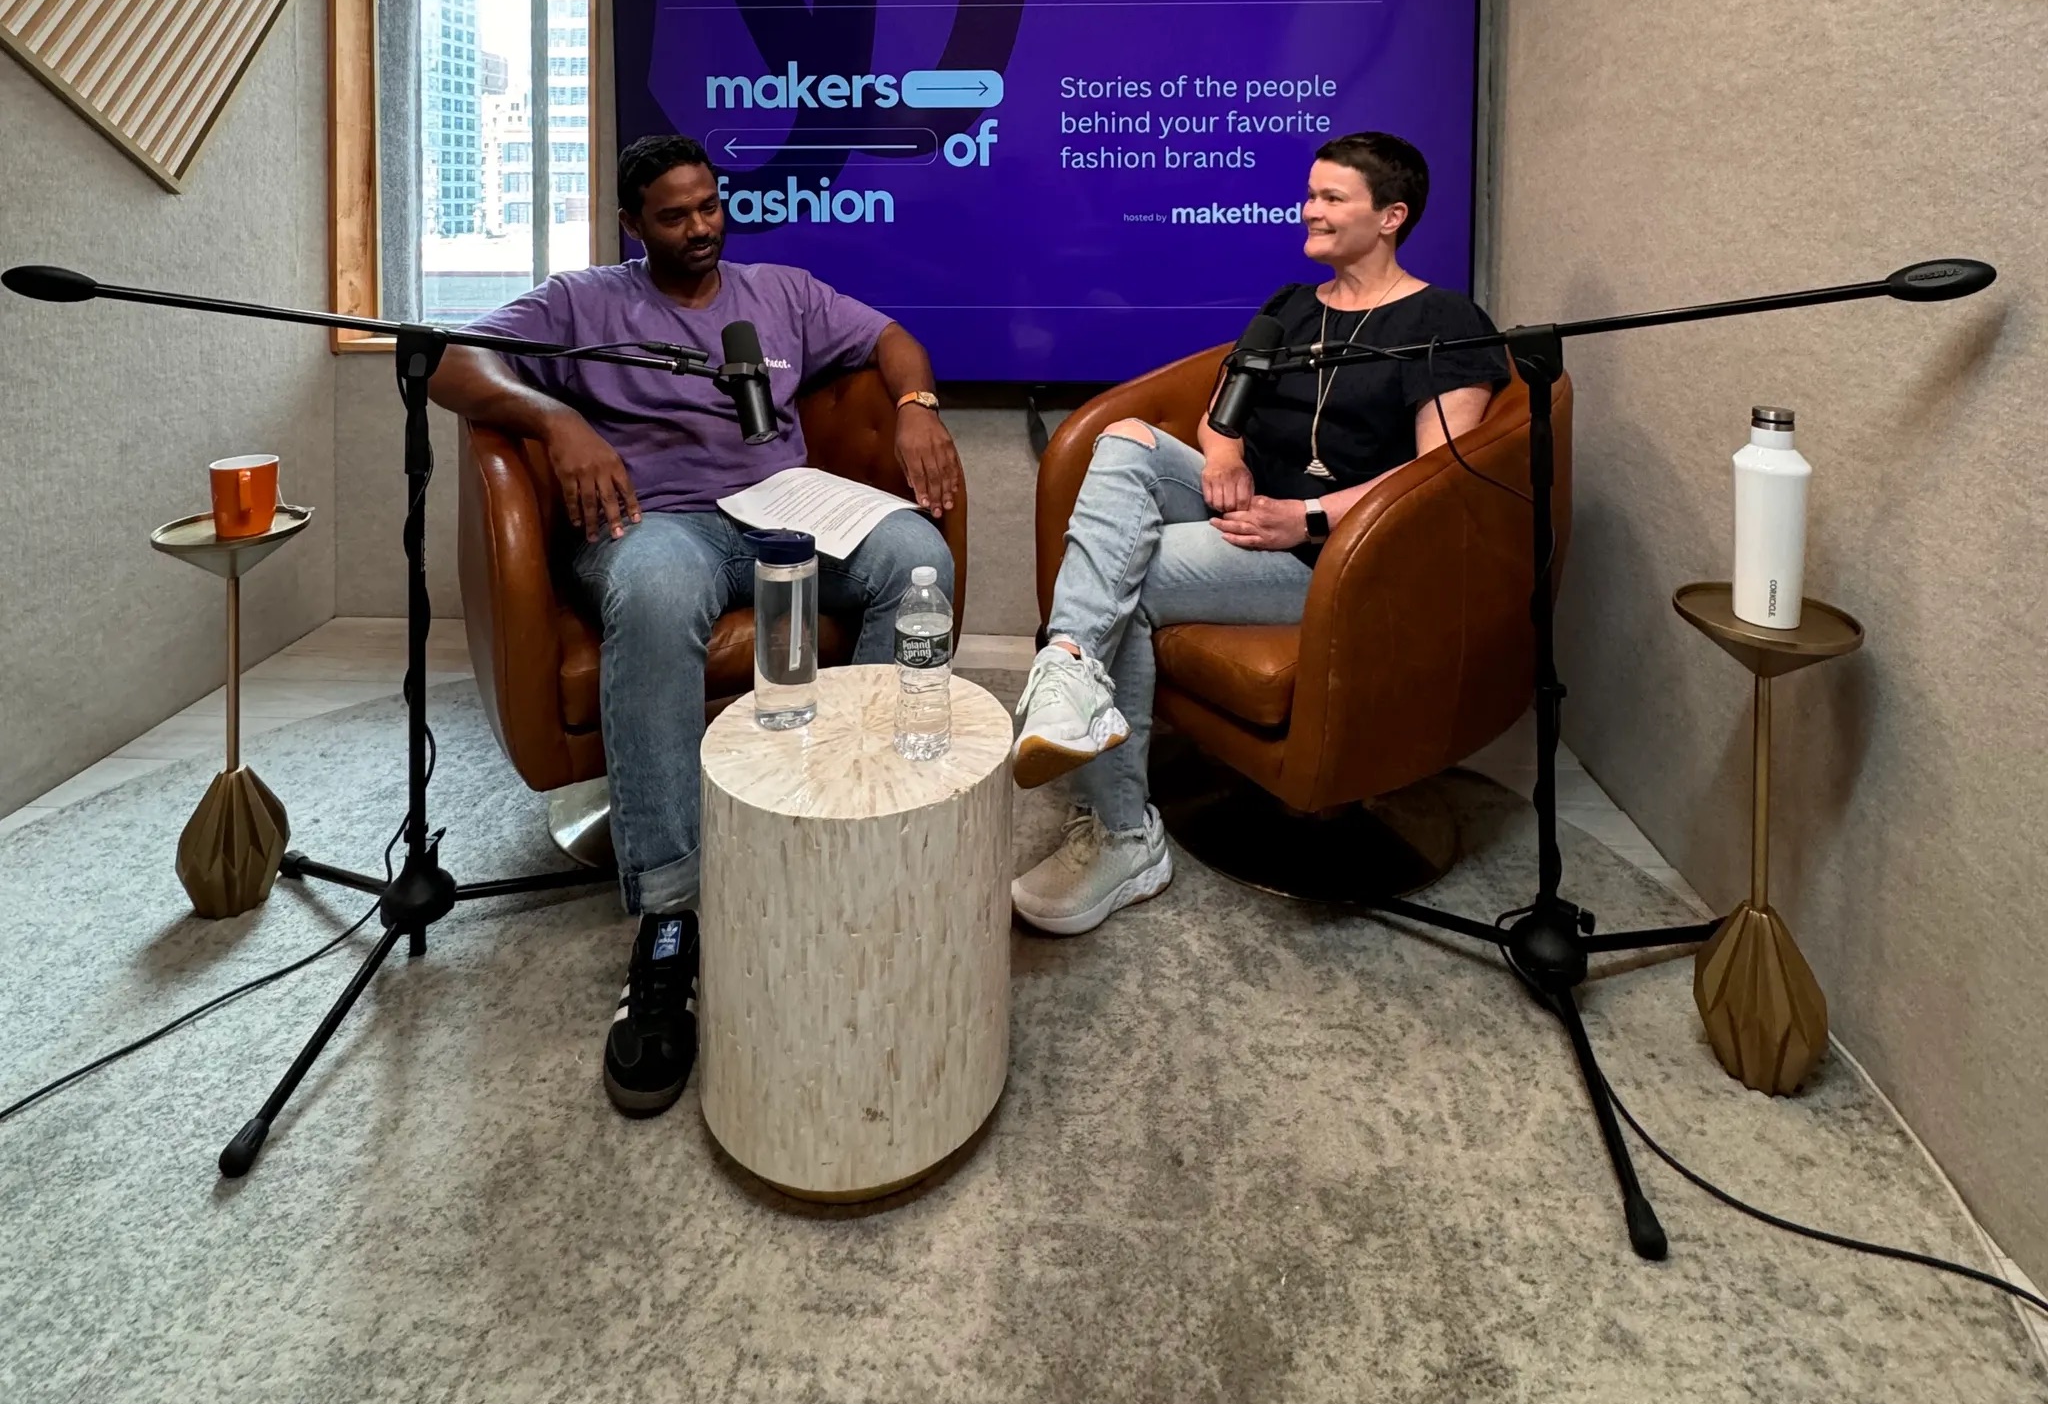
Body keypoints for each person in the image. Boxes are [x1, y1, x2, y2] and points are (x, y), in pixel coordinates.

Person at [429, 133, 962, 1116]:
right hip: (658, 524)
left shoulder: (782, 291)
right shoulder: (582, 301)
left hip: (788, 505)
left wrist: (917, 404)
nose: (702, 227)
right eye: (675, 215)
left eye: (710, 205)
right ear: (633, 224)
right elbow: (453, 363)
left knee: (919, 560)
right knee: (659, 595)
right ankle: (670, 918)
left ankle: (852, 812)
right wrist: (556, 421)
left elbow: (890, 337)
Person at [1010, 130, 1509, 936]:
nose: (1309, 209)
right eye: (1309, 193)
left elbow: (1436, 476)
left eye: (1331, 197)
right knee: (1125, 437)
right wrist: (1226, 455)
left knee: (1122, 580)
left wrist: (1304, 516)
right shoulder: (1289, 307)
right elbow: (1221, 413)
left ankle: (1124, 835)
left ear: (1392, 215)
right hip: (1248, 513)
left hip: (1335, 554)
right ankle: (1070, 666)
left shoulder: (1445, 320)